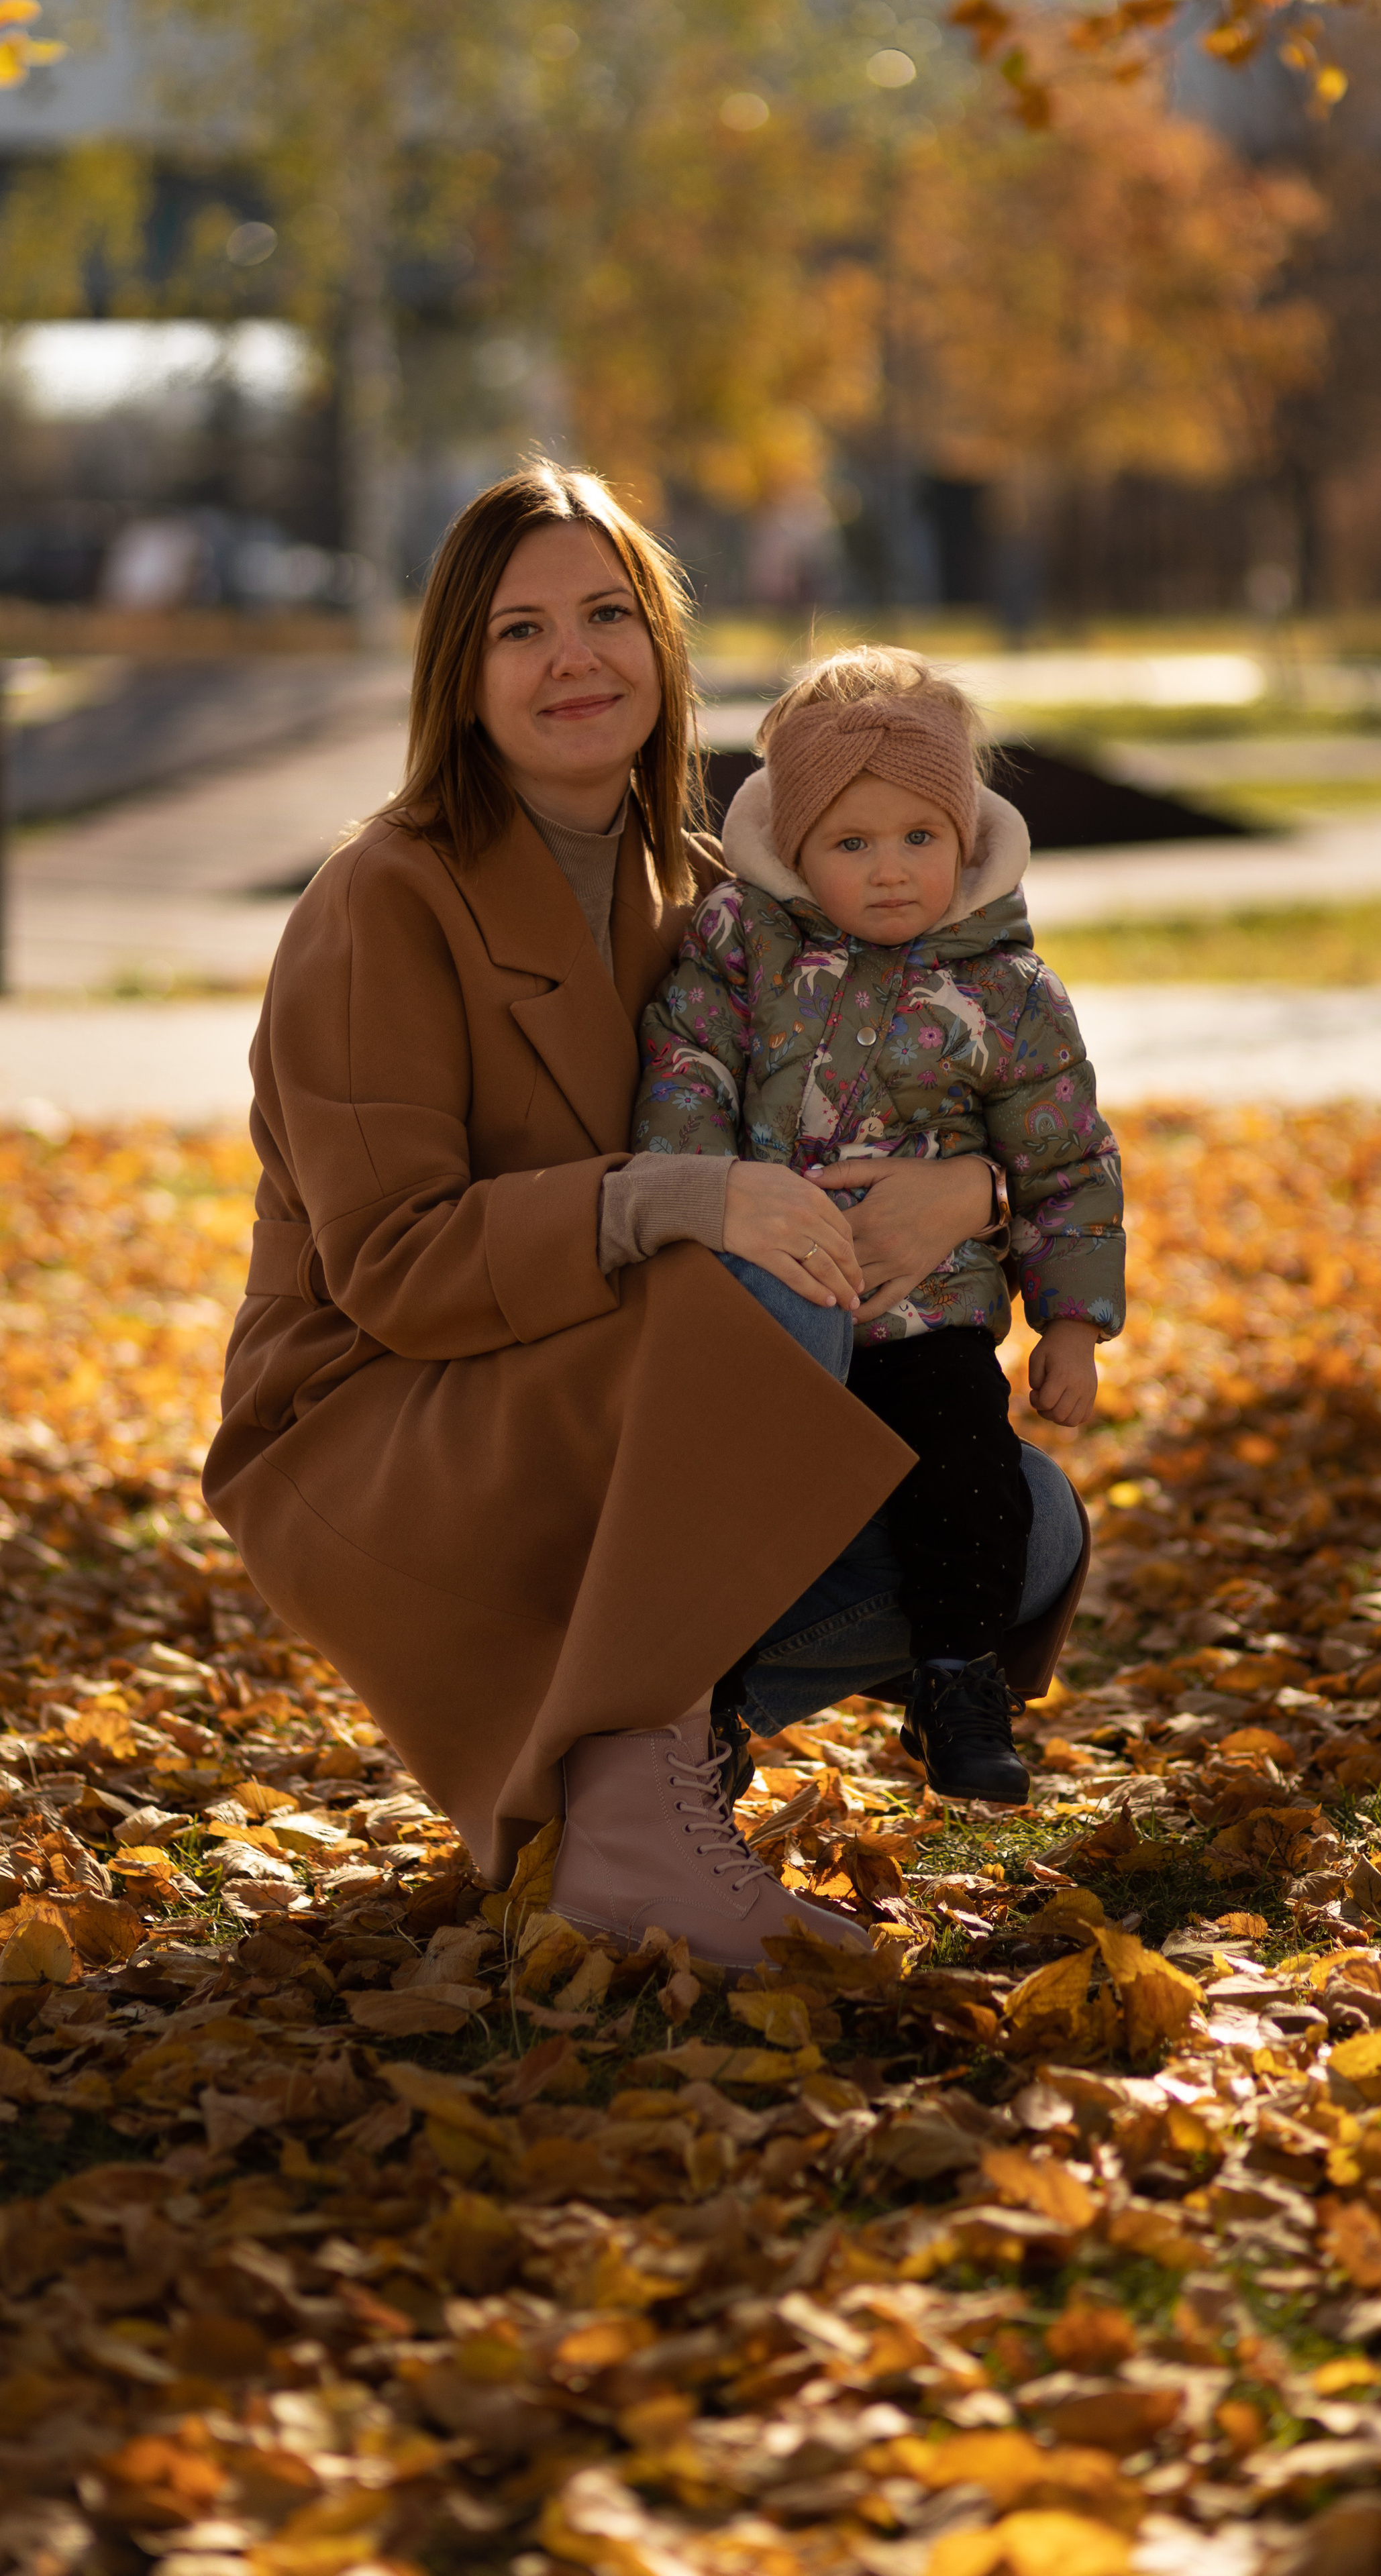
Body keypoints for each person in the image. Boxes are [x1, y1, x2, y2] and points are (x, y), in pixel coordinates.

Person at [202, 462, 1091, 1971]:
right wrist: (673, 1195)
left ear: (663, 649)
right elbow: (392, 1267)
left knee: (1022, 1531)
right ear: (459, 675)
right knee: (762, 1265)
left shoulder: (726, 908)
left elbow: (930, 1098)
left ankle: (652, 1773)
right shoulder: (383, 898)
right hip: (381, 1417)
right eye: (519, 630)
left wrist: (981, 1191)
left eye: (608, 614)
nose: (574, 659)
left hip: (607, 1389)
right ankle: (632, 1818)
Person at [633, 649, 1124, 1808]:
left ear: (964, 835)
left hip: (930, 1312)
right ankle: (702, 1709)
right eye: (852, 845)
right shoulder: (742, 946)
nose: (892, 871)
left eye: (919, 837)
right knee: (748, 1505)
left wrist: (1071, 1322)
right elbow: (687, 1061)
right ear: (797, 851)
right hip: (774, 1303)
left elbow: (1065, 1159)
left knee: (968, 1474)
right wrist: (695, 1192)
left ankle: (959, 1682)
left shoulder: (1010, 992)